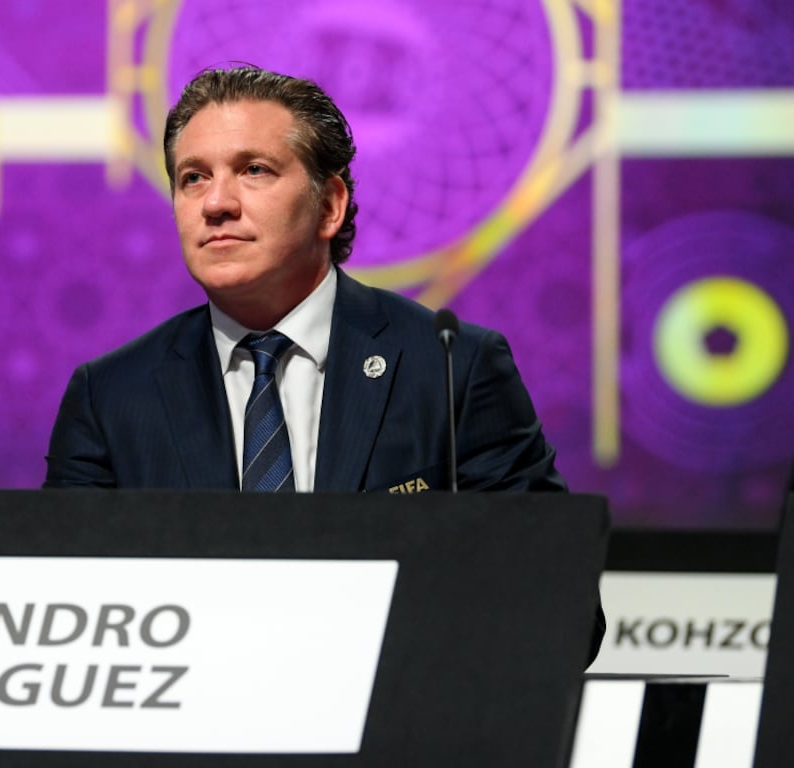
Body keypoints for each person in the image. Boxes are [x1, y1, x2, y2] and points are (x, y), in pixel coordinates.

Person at [43, 65, 565, 495]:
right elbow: (67, 584)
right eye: (193, 178)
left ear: (329, 205)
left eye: (254, 170)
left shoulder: (454, 370)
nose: (216, 203)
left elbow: (541, 575)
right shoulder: (110, 398)